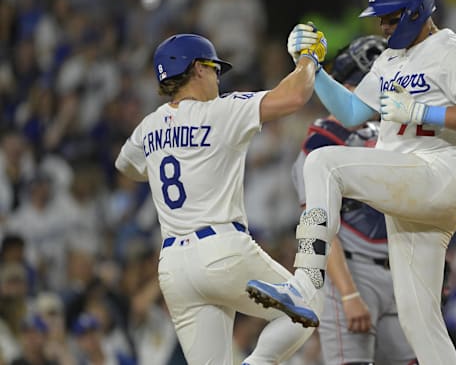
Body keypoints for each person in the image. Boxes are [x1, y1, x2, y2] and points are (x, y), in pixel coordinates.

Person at [246, 0, 456, 364]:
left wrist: (422, 112)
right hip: (410, 199)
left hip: (439, 174)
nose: (382, 25)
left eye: (389, 16)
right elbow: (351, 111)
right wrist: (311, 68)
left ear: (416, 11)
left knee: (323, 162)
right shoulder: (389, 59)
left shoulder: (453, 51)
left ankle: (305, 282)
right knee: (421, 323)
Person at [114, 30, 327, 364]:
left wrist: (165, 158)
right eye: (214, 68)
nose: (217, 77)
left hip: (173, 266)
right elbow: (296, 96)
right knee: (308, 303)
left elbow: (125, 165)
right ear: (198, 68)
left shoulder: (148, 127)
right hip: (221, 251)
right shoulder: (219, 111)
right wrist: (308, 58)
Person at [292, 35, 417, 364]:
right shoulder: (323, 139)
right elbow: (317, 229)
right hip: (352, 271)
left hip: (399, 273)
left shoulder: (389, 132)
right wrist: (347, 293)